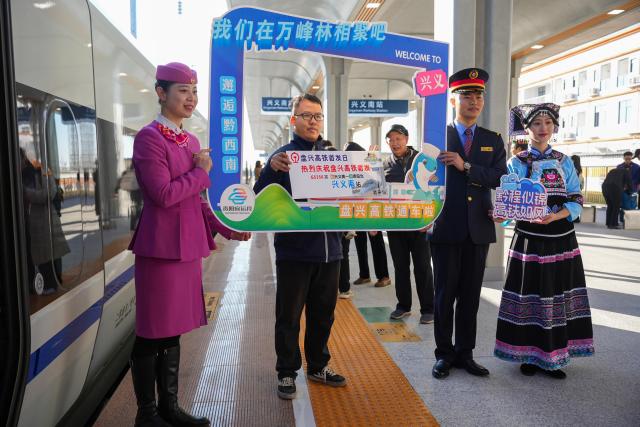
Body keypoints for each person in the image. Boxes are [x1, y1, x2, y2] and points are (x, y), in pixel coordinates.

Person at [128, 62, 250, 427]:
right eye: (183, 90)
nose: (191, 98)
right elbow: (163, 195)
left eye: (194, 91)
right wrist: (200, 173)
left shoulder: (192, 142)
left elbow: (198, 203)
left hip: (185, 249)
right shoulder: (149, 137)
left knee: (173, 327)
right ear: (161, 93)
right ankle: (146, 414)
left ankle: (169, 407)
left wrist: (228, 228)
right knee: (153, 329)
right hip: (160, 247)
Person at [253, 93, 346, 400]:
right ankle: (286, 371)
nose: (312, 121)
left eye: (317, 116)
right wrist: (271, 170)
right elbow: (259, 197)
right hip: (294, 252)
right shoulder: (282, 156)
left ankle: (318, 365)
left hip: (331, 251)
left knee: (324, 313)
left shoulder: (333, 154)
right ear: (293, 121)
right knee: (289, 316)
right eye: (306, 116)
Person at [493, 103, 594, 379]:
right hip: (529, 239)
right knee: (530, 296)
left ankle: (555, 355)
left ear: (554, 128)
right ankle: (528, 354)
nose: (542, 129)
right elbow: (510, 200)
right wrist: (501, 215)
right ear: (527, 129)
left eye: (548, 124)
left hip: (561, 238)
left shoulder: (564, 161)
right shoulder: (516, 162)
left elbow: (576, 197)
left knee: (556, 297)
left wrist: (557, 215)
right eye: (537, 124)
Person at [430, 68, 507, 379]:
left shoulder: (492, 139)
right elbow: (422, 176)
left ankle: (465, 353)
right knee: (444, 295)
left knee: (470, 296)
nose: (474, 101)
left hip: (478, 229)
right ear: (453, 100)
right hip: (444, 226)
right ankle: (443, 354)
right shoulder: (437, 136)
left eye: (478, 96)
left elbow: (501, 176)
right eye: (466, 95)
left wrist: (467, 166)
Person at [382, 124, 435, 324]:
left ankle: (428, 309)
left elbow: (435, 186)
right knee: (400, 267)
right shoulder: (384, 163)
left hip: (419, 224)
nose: (395, 143)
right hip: (395, 224)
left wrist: (431, 219)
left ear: (406, 139)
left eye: (398, 138)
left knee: (422, 267)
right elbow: (378, 192)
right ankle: (403, 306)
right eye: (391, 139)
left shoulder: (420, 159)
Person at [345, 141, 391, 288]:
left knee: (376, 244)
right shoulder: (349, 169)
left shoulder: (371, 165)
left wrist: (373, 159)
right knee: (360, 244)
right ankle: (364, 275)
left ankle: (383, 276)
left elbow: (380, 187)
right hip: (358, 210)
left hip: (372, 211)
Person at [571, 155, 584, 223]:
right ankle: (576, 218)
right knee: (575, 203)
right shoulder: (579, 169)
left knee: (570, 202)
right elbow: (581, 180)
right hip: (577, 189)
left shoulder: (571, 168)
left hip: (571, 188)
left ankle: (573, 218)